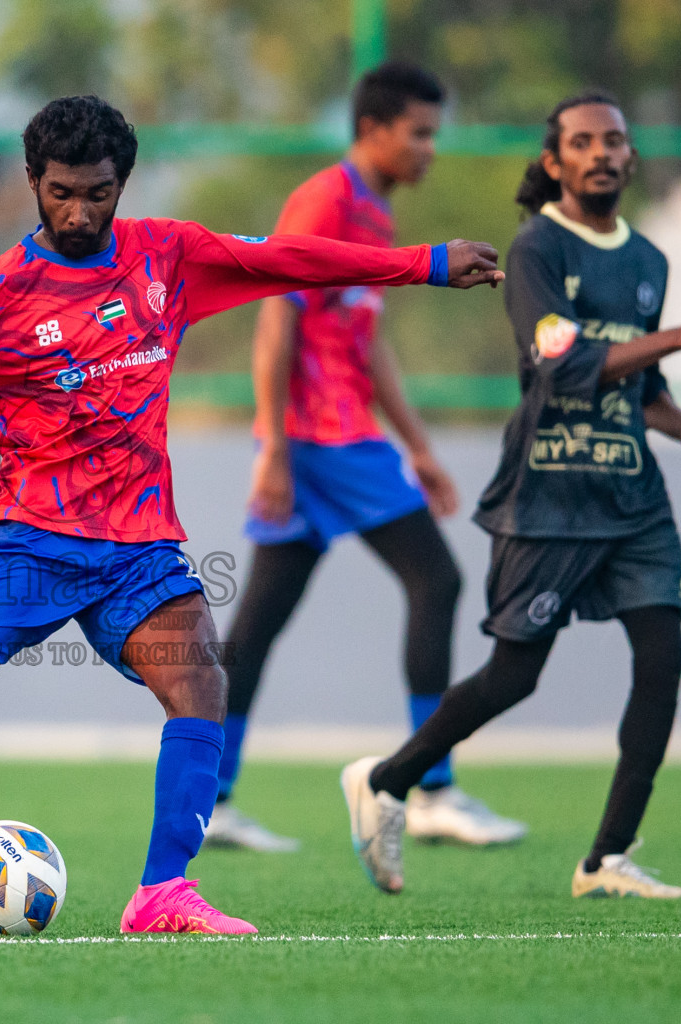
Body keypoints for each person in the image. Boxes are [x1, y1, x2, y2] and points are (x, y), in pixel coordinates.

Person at [0, 95, 503, 934]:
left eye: (99, 193)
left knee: (201, 680)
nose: (78, 212)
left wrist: (426, 262)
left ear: (124, 184)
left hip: (139, 548)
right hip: (29, 543)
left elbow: (289, 263)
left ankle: (162, 894)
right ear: (33, 181)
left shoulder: (168, 257)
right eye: (61, 192)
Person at [340, 91, 681, 899]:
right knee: (515, 675)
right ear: (555, 162)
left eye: (615, 141)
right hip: (549, 495)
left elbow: (643, 380)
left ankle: (607, 859)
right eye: (583, 142)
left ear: (630, 158)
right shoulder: (533, 250)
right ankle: (388, 780)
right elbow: (561, 368)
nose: (602, 153)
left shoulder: (649, 262)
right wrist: (678, 335)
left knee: (662, 656)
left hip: (632, 497)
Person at [207, 61, 526, 853]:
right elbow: (276, 318)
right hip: (325, 437)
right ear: (374, 129)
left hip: (333, 438)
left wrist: (418, 445)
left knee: (258, 622)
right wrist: (273, 446)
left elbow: (368, 337)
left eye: (433, 134)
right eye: (419, 133)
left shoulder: (375, 213)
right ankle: (430, 790)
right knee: (438, 580)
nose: (429, 149)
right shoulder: (328, 199)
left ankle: (207, 800)